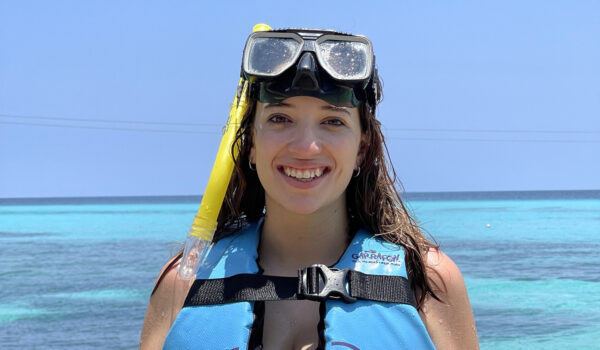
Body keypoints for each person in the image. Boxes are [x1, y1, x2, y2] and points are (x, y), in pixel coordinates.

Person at [140, 27, 479, 350]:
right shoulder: (183, 282)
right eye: (279, 119)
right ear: (251, 145)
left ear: (362, 147)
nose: (305, 146)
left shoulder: (429, 282)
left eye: (333, 121)